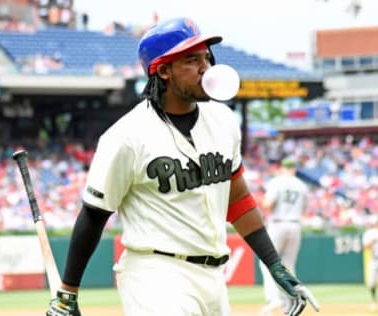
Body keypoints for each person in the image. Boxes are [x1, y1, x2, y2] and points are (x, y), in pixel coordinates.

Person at [46, 17, 319, 316]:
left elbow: (238, 201)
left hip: (214, 278)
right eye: (192, 60)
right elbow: (95, 214)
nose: (206, 68)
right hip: (156, 274)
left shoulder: (224, 121)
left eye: (207, 58)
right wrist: (68, 292)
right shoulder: (126, 136)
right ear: (163, 70)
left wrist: (275, 265)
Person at [259, 157, 309, 316]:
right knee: (289, 266)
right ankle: (290, 303)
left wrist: (261, 200)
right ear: (293, 168)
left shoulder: (277, 182)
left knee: (267, 262)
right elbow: (304, 210)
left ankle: (273, 299)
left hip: (278, 224)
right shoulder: (302, 185)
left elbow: (268, 205)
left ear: (282, 168)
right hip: (295, 225)